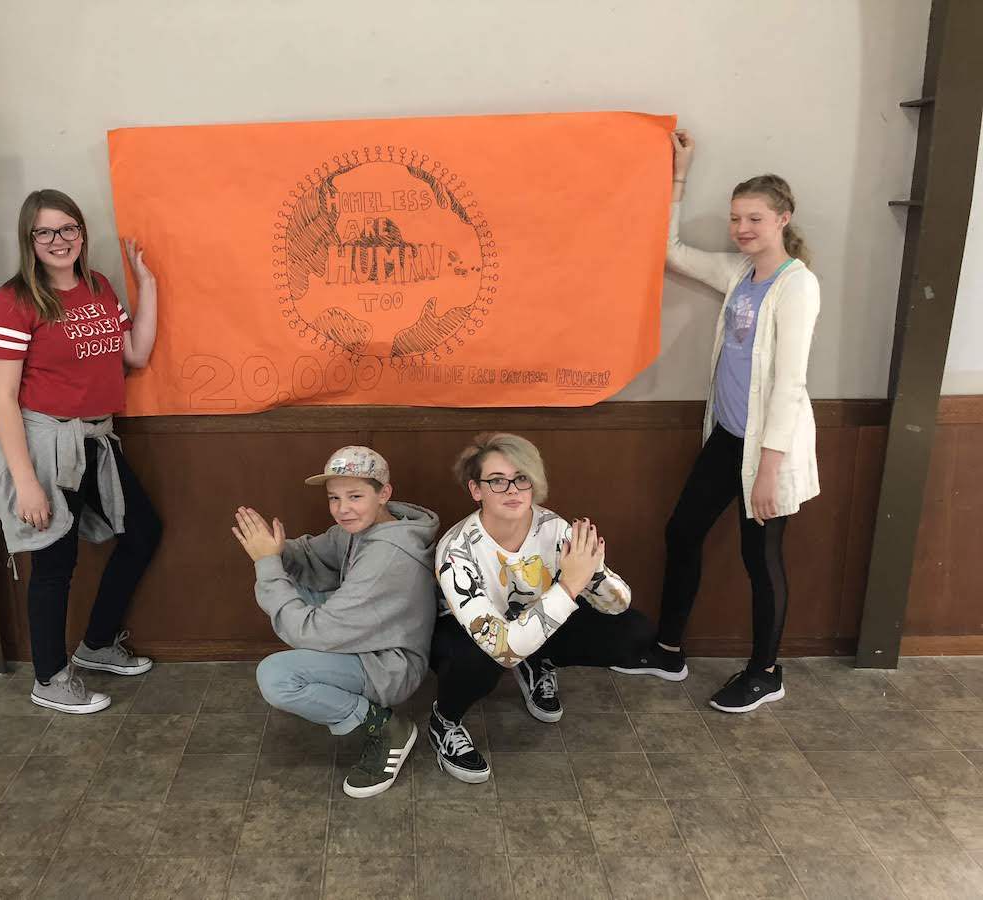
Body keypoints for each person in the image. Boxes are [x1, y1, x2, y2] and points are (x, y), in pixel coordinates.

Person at [612, 130, 821, 713]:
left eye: (754, 218)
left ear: (782, 219)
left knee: (762, 559)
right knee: (682, 532)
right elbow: (670, 249)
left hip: (767, 451)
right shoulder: (738, 274)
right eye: (736, 219)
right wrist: (680, 173)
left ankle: (765, 671)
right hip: (727, 438)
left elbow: (790, 383)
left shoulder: (796, 285)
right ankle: (669, 650)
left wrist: (769, 470)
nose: (742, 228)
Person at [0, 188, 162, 714]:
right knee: (54, 564)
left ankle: (97, 644)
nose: (59, 240)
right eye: (46, 231)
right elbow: (1, 396)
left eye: (69, 228)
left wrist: (147, 285)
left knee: (143, 530)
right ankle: (49, 678)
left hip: (95, 440)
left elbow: (135, 353)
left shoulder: (99, 286)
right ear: (29, 239)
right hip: (46, 443)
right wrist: (27, 482)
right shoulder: (14, 300)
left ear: (82, 233)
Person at [427, 433, 652, 783]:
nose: (513, 490)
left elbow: (617, 603)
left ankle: (538, 661)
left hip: (535, 620)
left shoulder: (554, 528)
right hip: (471, 635)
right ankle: (445, 720)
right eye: (497, 481)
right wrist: (569, 585)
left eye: (522, 479)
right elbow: (502, 648)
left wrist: (594, 571)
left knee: (634, 631)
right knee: (478, 662)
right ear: (476, 490)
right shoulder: (456, 550)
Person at [232, 446, 439, 798]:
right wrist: (277, 551)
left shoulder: (387, 557)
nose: (343, 509)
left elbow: (311, 632)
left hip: (390, 665)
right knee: (288, 578)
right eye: (334, 498)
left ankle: (388, 728)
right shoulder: (372, 526)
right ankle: (348, 691)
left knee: (278, 677)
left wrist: (265, 563)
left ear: (384, 494)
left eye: (355, 496)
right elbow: (314, 555)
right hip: (376, 637)